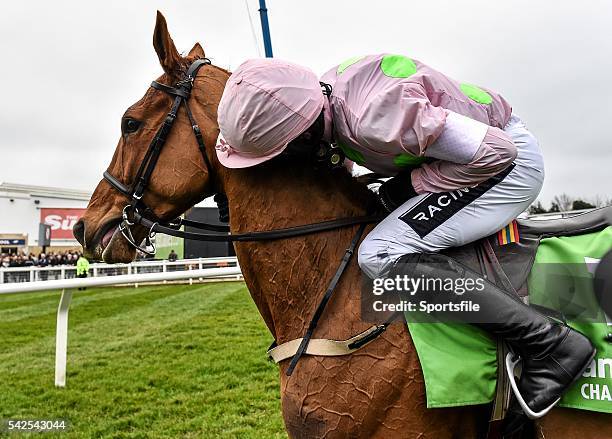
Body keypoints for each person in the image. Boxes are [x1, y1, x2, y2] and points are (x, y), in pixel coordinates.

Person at [213, 55, 595, 418]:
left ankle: (551, 345)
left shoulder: (377, 118)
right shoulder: (317, 95)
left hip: (506, 166)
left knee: (379, 252)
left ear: (301, 136)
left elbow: (498, 152)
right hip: (471, 157)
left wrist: (410, 185)